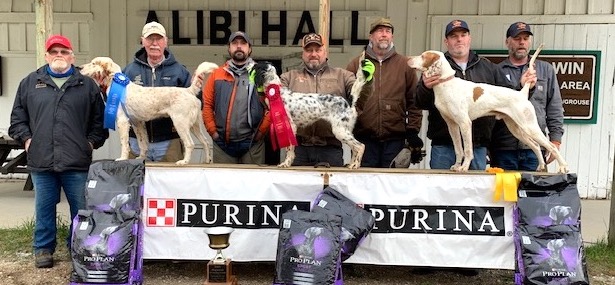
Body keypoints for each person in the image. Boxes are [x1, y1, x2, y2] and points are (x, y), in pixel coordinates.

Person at [8, 35, 108, 268]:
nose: (59, 56)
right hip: (41, 159)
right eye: (54, 52)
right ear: (46, 56)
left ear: (72, 56)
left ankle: (80, 248)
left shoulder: (86, 84)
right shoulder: (30, 83)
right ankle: (43, 249)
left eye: (64, 52)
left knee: (80, 210)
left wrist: (90, 143)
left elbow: (99, 121)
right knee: (44, 208)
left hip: (76, 161)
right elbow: (17, 119)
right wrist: (27, 139)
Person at [415, 19, 531, 171]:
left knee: (475, 194)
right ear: (446, 41)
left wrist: (524, 86)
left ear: (469, 38)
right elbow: (419, 102)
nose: (459, 39)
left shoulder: (488, 67)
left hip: (478, 148)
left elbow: (509, 98)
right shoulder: (435, 65)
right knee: (442, 193)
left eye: (463, 35)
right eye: (454, 36)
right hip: (443, 146)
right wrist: (425, 87)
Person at [280, 33, 373, 167]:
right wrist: (262, 89)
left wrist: (367, 80)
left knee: (331, 188)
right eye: (309, 50)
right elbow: (273, 104)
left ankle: (357, 152)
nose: (313, 54)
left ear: (325, 52)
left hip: (330, 149)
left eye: (318, 50)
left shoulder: (342, 75)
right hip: (299, 150)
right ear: (303, 54)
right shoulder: (288, 77)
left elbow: (360, 98)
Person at [346, 17, 423, 168]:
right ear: (371, 36)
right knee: (365, 187)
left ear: (392, 37)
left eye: (388, 31)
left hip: (395, 140)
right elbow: (346, 100)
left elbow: (414, 101)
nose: (384, 34)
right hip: (364, 139)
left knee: (393, 188)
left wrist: (413, 131)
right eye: (379, 31)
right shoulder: (356, 64)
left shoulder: (404, 65)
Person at [490, 22, 564, 171]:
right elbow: (489, 111)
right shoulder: (496, 71)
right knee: (504, 194)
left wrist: (555, 140)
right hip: (504, 148)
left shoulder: (546, 70)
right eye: (517, 38)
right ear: (507, 42)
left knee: (534, 194)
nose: (522, 42)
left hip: (534, 149)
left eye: (525, 38)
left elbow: (554, 107)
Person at [123, 21, 191, 162]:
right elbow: (117, 104)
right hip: (136, 142)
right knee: (137, 183)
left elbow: (195, 102)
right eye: (150, 39)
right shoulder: (128, 71)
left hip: (169, 142)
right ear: (143, 41)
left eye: (158, 39)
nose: (154, 43)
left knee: (171, 183)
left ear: (165, 42)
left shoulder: (180, 71)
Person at [202, 31, 270, 164]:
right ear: (229, 48)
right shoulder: (217, 74)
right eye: (235, 43)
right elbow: (207, 105)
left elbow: (272, 106)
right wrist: (213, 133)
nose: (239, 46)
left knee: (252, 184)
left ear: (249, 48)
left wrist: (261, 133)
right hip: (223, 146)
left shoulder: (260, 75)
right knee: (223, 185)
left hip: (252, 145)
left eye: (243, 43)